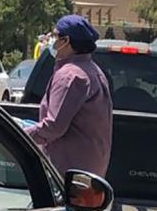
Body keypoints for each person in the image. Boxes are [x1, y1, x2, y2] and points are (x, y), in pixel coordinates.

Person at [25, 16, 113, 177]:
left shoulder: (69, 76)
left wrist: (22, 135)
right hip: (90, 170)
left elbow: (54, 126)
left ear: (65, 40)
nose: (51, 40)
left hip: (68, 172)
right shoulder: (93, 70)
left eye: (55, 35)